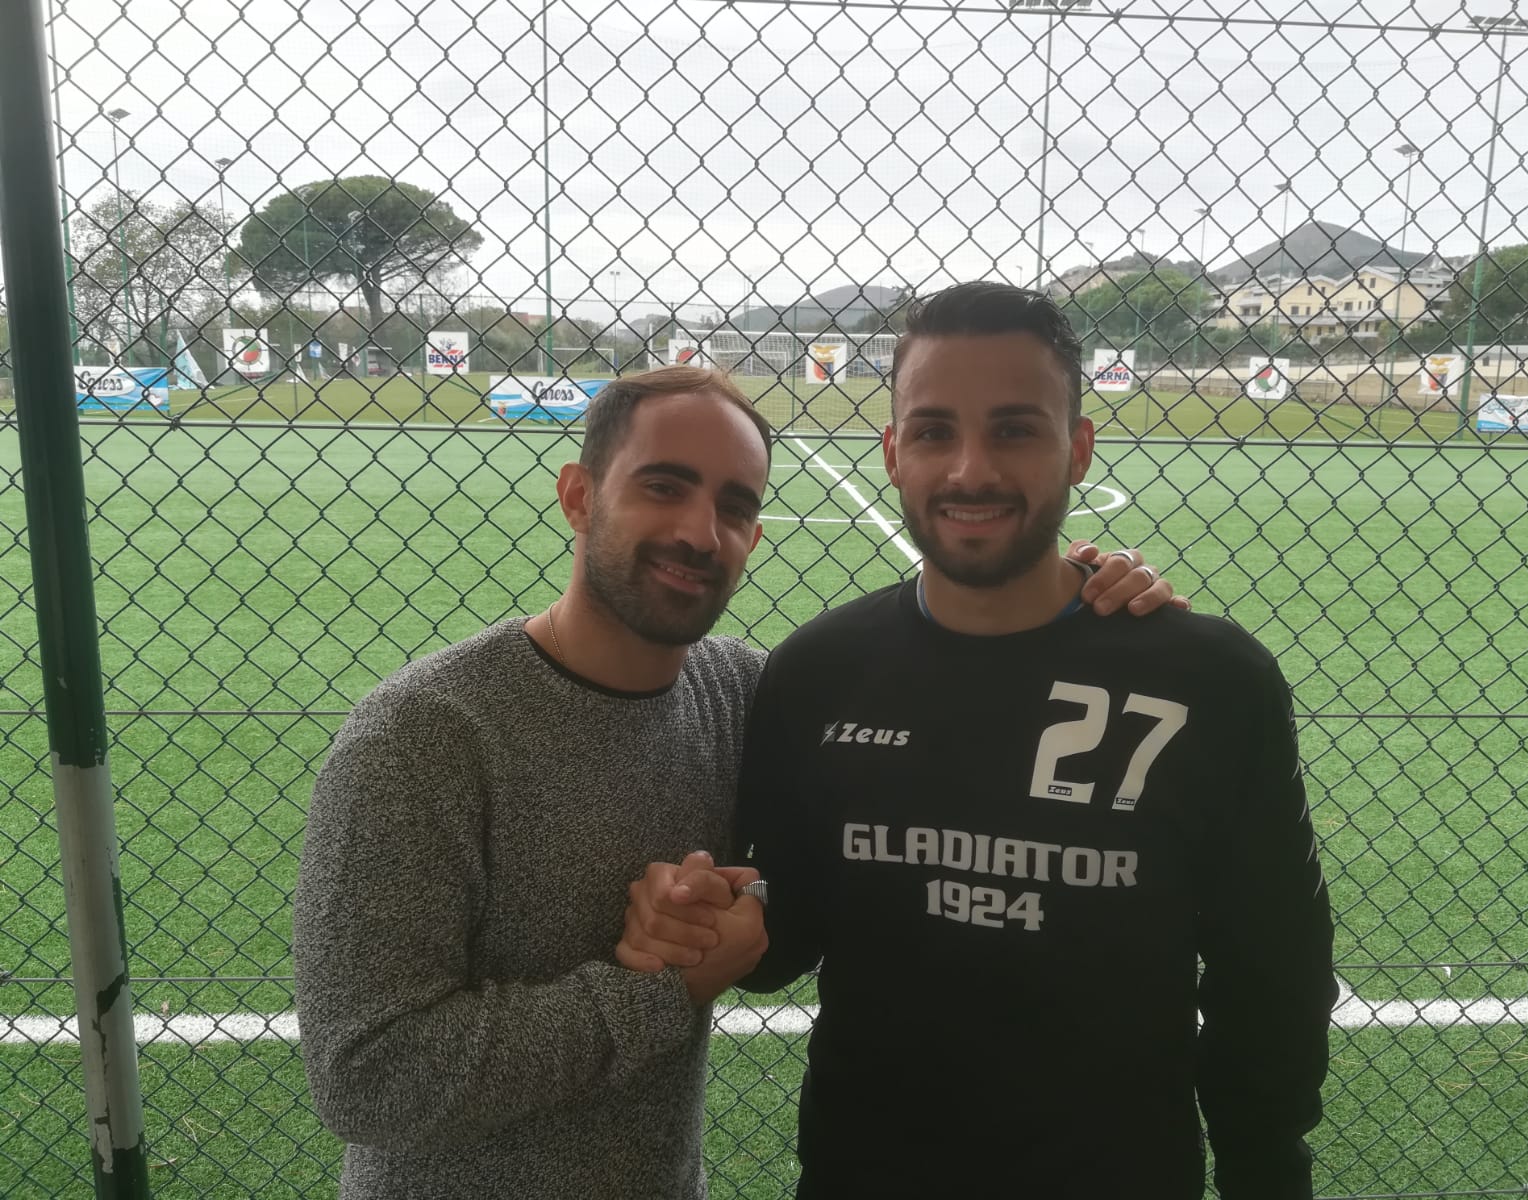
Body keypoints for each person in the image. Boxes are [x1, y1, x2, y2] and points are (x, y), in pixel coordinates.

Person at [292, 362, 1180, 1198]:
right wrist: (662, 987)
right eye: (663, 486)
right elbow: (366, 1077)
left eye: (734, 505)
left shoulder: (748, 694)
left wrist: (1086, 600)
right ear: (579, 495)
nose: (697, 532)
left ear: (753, 536)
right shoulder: (425, 735)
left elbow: (844, 828)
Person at [619, 284, 1338, 1199]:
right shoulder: (816, 672)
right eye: (932, 432)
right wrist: (711, 916)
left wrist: (1265, 1167)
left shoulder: (1210, 681)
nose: (969, 470)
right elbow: (789, 928)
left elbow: (1272, 971)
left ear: (1077, 449)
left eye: (1014, 429)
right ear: (891, 454)